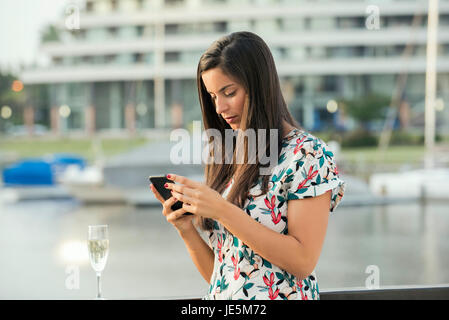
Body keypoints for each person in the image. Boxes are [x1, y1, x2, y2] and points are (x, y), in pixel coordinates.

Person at [149, 31, 346, 300]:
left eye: (228, 93)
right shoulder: (230, 155)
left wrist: (221, 210)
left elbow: (303, 262)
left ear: (259, 86)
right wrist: (187, 231)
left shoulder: (307, 154)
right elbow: (225, 278)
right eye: (212, 96)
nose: (219, 107)